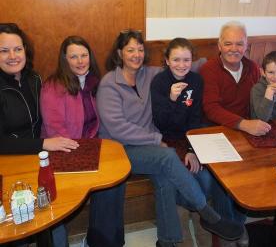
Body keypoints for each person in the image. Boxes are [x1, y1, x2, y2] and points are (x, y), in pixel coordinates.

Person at [97, 30, 244, 247]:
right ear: (120, 53)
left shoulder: (148, 74)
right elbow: (118, 128)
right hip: (121, 148)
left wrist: (213, 60)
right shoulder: (109, 83)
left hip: (149, 146)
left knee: (165, 180)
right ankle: (208, 214)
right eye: (130, 50)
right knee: (167, 157)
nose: (136, 55)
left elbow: (184, 66)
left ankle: (166, 241)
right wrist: (156, 139)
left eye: (139, 49)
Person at [151, 38, 246, 247]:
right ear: (167, 60)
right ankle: (189, 218)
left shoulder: (196, 80)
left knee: (205, 178)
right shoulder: (159, 82)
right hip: (165, 140)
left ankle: (200, 219)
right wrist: (172, 100)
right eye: (176, 59)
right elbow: (161, 123)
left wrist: (192, 149)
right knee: (188, 176)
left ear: (192, 60)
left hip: (189, 137)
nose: (181, 64)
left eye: (186, 60)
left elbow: (195, 119)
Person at [40, 36, 125, 247]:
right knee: (101, 180)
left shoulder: (96, 82)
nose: (80, 61)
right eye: (74, 56)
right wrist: (84, 153)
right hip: (63, 151)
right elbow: (54, 129)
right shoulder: (53, 86)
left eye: (84, 55)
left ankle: (102, 242)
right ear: (65, 60)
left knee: (115, 179)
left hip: (92, 146)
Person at [0, 23, 78, 247]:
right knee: (20, 226)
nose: (13, 56)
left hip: (40, 159)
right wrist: (44, 143)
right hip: (9, 165)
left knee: (54, 213)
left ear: (26, 50)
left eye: (18, 49)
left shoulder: (34, 79)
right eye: (4, 51)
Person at [200, 21, 271, 136]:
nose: (234, 49)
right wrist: (245, 124)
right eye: (228, 44)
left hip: (248, 130)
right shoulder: (208, 69)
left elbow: (261, 100)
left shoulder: (253, 67)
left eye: (239, 44)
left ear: (246, 46)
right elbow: (211, 108)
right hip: (216, 129)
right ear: (219, 46)